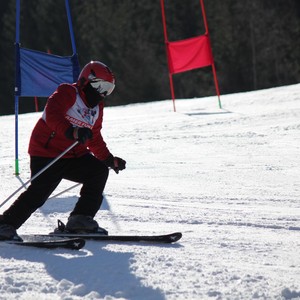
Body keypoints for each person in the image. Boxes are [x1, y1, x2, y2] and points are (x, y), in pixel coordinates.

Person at [0, 61, 126, 240]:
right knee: (39, 192)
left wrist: (108, 159)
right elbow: (52, 115)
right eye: (101, 86)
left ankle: (80, 220)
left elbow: (94, 136)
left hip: (74, 154)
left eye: (109, 89)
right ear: (87, 81)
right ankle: (5, 224)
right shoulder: (68, 92)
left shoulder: (97, 108)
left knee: (97, 172)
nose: (103, 94)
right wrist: (72, 131)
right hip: (47, 152)